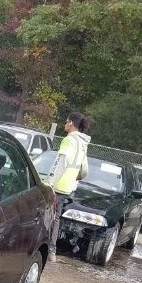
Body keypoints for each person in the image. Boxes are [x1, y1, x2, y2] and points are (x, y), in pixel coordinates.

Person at [46, 111, 92, 262]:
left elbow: (60, 163)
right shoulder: (82, 143)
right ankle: (52, 251)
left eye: (66, 121)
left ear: (71, 123)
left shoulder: (69, 140)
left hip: (57, 186)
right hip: (68, 188)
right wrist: (73, 179)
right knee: (56, 218)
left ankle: (49, 250)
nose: (65, 124)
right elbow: (84, 170)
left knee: (49, 217)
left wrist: (48, 184)